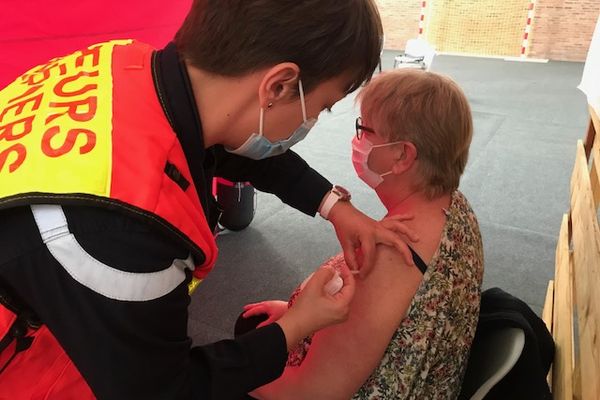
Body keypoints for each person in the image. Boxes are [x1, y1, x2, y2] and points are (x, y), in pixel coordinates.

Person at [0, 1, 417, 399]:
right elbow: (166, 391)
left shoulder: (125, 66)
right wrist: (293, 328)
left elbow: (224, 145)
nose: (309, 123)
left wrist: (333, 205)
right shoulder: (124, 229)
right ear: (278, 84)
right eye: (321, 108)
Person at [242, 69, 485, 399]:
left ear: (402, 155)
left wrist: (212, 372)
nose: (357, 140)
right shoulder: (454, 209)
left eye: (364, 129)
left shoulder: (391, 254)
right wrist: (296, 315)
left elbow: (309, 393)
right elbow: (396, 322)